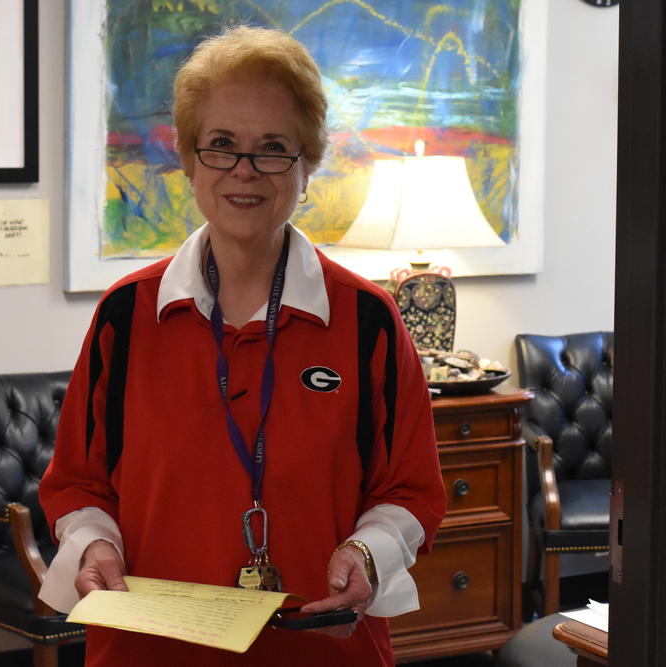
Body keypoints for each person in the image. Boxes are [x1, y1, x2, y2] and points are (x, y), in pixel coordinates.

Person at [39, 25, 446, 666]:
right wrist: (95, 545)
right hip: (150, 650)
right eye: (221, 145)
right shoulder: (126, 312)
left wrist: (368, 552)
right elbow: (77, 486)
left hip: (318, 648)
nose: (244, 172)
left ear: (307, 163)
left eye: (273, 148)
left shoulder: (369, 319)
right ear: (188, 159)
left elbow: (412, 491)